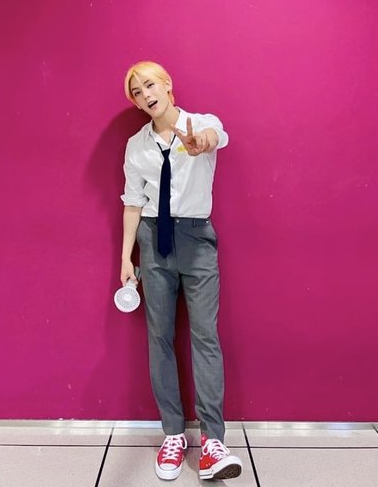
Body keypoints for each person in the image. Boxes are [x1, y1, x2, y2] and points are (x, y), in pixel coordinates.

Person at [120, 61, 242, 481]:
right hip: (153, 239)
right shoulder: (136, 145)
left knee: (205, 335)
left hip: (196, 238)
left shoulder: (202, 123)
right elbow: (132, 202)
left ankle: (212, 441)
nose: (145, 95)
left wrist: (200, 142)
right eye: (137, 92)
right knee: (160, 337)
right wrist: (126, 258)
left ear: (167, 85)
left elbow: (214, 139)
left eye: (149, 85)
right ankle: (173, 434)